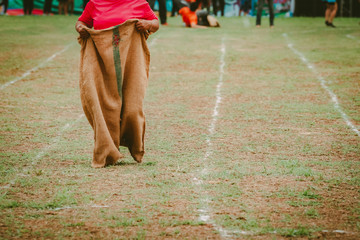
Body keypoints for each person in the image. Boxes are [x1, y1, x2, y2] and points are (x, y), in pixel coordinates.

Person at [75, 0, 159, 168]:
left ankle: (134, 146)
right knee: (105, 106)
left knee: (133, 107)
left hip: (130, 61)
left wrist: (147, 24)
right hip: (101, 63)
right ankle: (107, 151)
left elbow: (155, 23)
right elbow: (81, 22)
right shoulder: (94, 3)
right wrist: (81, 28)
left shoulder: (139, 2)